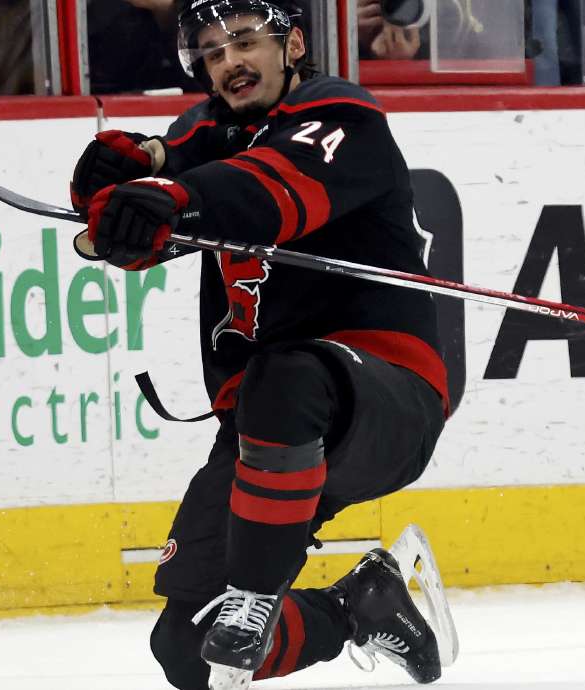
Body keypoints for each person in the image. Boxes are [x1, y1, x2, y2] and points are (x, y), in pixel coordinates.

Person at [67, 1, 452, 688]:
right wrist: (124, 187)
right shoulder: (209, 135)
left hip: (385, 400)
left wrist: (173, 194)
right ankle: (358, 610)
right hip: (266, 433)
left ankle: (253, 594)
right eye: (212, 52)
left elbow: (265, 193)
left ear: (293, 44)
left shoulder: (343, 117)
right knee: (186, 649)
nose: (230, 62)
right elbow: (173, 182)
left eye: (245, 41)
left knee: (286, 374)